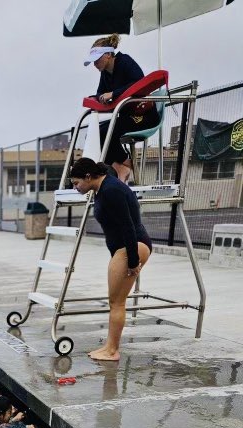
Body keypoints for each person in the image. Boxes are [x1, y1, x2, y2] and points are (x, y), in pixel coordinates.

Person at [70, 157, 152, 361]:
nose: (75, 188)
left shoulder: (111, 190)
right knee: (114, 301)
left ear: (88, 177)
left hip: (133, 246)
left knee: (117, 302)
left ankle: (113, 350)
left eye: (76, 183)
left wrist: (133, 262)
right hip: (124, 249)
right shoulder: (104, 184)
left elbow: (127, 226)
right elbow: (108, 167)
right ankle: (109, 346)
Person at [85, 33, 159, 183]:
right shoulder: (105, 72)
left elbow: (139, 83)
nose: (94, 64)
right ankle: (118, 166)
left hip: (145, 117)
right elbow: (101, 92)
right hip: (126, 116)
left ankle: (125, 164)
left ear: (107, 55)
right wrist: (98, 98)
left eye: (97, 60)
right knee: (94, 133)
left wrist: (113, 93)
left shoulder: (125, 61)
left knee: (107, 132)